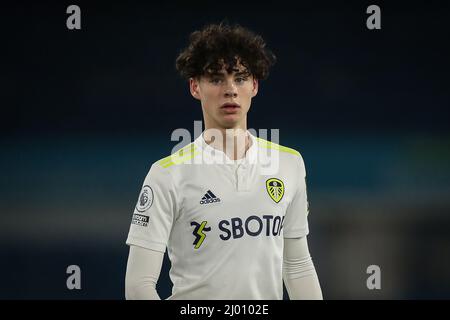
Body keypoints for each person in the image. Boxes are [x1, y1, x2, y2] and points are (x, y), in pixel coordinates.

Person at [125, 23, 323, 300]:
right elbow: (138, 286)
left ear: (254, 86)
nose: (230, 90)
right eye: (216, 79)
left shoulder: (289, 163)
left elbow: (297, 265)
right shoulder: (167, 174)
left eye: (240, 78)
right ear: (195, 87)